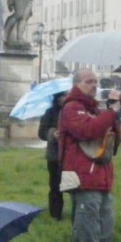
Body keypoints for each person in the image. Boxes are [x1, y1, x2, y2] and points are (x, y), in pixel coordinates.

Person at [56, 69, 121, 242]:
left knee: (105, 235)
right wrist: (110, 113)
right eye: (88, 81)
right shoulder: (71, 108)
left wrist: (114, 115)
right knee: (87, 237)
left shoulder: (95, 110)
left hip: (101, 179)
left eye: (95, 81)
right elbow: (87, 130)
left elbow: (114, 142)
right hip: (83, 181)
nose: (94, 85)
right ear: (77, 84)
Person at [38, 92, 67, 220]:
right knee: (55, 185)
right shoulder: (49, 113)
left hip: (69, 153)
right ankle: (55, 213)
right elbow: (41, 133)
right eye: (62, 96)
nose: (65, 98)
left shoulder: (72, 111)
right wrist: (52, 133)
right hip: (54, 154)